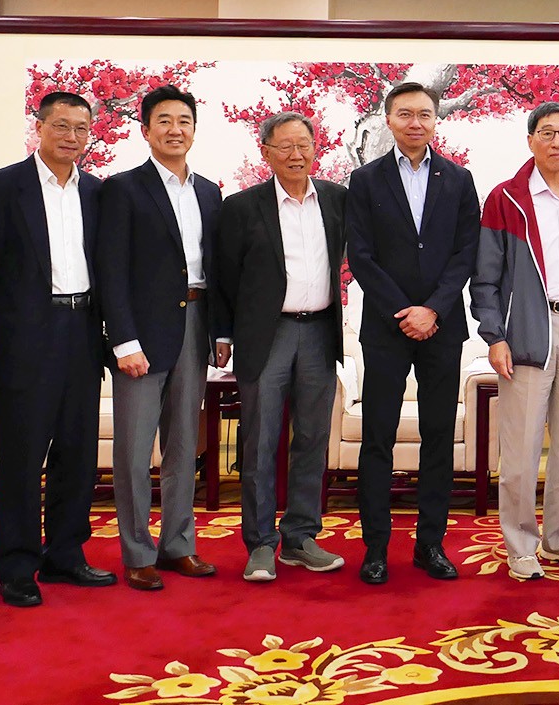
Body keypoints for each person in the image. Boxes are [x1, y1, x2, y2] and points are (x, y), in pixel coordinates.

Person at [0, 90, 115, 608]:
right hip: (27, 335)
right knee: (21, 454)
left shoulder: (97, 192)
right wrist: (21, 312)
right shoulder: (1, 188)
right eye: (61, 126)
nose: (71, 137)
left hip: (84, 332)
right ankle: (16, 565)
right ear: (40, 126)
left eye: (81, 128)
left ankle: (66, 555)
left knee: (77, 451)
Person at [347, 82, 481, 586]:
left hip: (442, 327)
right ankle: (376, 548)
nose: (416, 123)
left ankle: (430, 544)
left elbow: (463, 253)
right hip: (385, 327)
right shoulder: (365, 180)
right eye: (405, 114)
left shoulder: (459, 179)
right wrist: (404, 309)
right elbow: (360, 256)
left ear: (435, 119)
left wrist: (434, 309)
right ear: (389, 119)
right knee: (378, 438)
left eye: (425, 114)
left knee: (438, 437)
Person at [469, 102, 559, 580]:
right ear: (530, 141)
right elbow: (485, 279)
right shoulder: (506, 198)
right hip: (526, 332)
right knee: (522, 448)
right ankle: (521, 544)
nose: (556, 142)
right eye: (546, 133)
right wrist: (494, 335)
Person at [212, 112, 347, 583]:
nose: (295, 154)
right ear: (265, 152)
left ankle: (300, 536)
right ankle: (261, 544)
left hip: (319, 333)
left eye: (303, 145)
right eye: (284, 146)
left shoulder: (336, 199)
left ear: (316, 147)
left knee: (312, 438)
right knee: (261, 440)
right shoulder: (242, 207)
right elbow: (224, 278)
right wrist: (222, 335)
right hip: (265, 335)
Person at [96, 84, 222, 590]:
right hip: (141, 335)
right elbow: (111, 269)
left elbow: (217, 268)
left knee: (184, 444)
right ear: (145, 130)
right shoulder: (122, 188)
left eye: (184, 121)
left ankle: (178, 545)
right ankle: (137, 552)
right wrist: (123, 340)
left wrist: (221, 331)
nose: (176, 129)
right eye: (164, 121)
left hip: (195, 322)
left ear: (194, 129)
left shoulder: (210, 190)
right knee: (133, 448)